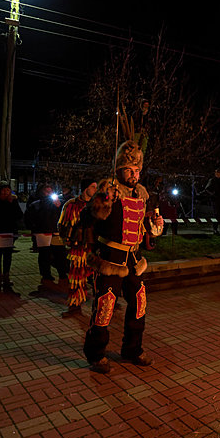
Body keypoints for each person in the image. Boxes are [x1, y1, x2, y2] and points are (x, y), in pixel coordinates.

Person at [81, 141, 164, 374]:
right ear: (119, 169)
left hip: (134, 260)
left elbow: (143, 227)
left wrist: (154, 225)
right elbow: (88, 219)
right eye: (129, 169)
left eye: (137, 170)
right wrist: (102, 201)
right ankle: (96, 354)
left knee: (139, 303)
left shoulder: (142, 194)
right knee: (105, 306)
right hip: (110, 258)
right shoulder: (109, 190)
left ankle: (132, 349)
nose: (134, 174)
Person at [57, 178, 97, 317]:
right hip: (78, 248)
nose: (96, 190)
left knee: (98, 279)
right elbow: (62, 225)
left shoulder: (98, 205)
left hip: (95, 249)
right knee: (76, 278)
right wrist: (67, 240)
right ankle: (75, 307)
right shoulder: (71, 205)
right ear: (86, 188)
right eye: (93, 187)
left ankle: (103, 306)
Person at [25, 184, 67, 284]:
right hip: (43, 233)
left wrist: (58, 206)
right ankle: (46, 274)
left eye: (50, 192)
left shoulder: (59, 203)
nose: (48, 194)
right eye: (46, 192)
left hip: (56, 233)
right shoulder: (36, 204)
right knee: (44, 255)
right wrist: (35, 229)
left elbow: (64, 216)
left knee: (60, 254)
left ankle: (62, 273)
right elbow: (29, 218)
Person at [0, 182, 23, 295]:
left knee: (8, 255)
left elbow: (19, 215)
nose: (5, 192)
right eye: (3, 190)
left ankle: (6, 278)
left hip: (9, 232)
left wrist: (12, 203)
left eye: (7, 190)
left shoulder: (13, 201)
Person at [203, 168, 220, 234]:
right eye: (217, 173)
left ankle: (216, 228)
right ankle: (215, 229)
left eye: (219, 173)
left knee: (218, 214)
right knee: (215, 214)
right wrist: (212, 194)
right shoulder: (212, 180)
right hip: (214, 199)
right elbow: (206, 189)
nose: (218, 174)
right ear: (215, 173)